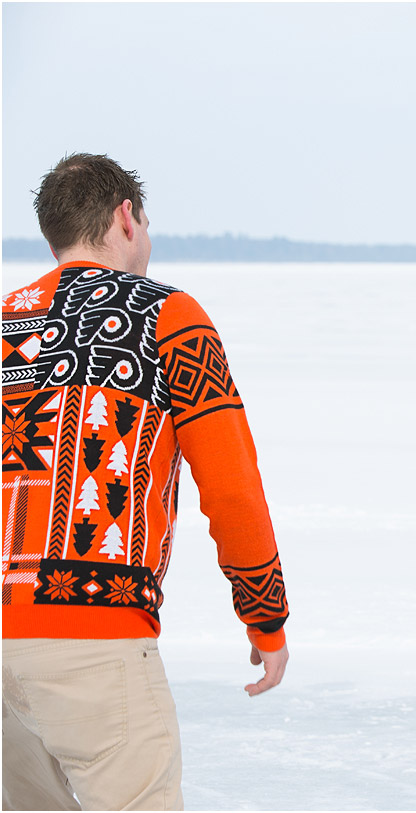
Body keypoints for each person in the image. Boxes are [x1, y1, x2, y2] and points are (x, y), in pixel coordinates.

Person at [1, 153, 290, 810]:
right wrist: (265, 617)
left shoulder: (5, 321)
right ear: (126, 218)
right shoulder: (169, 315)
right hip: (90, 635)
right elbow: (231, 486)